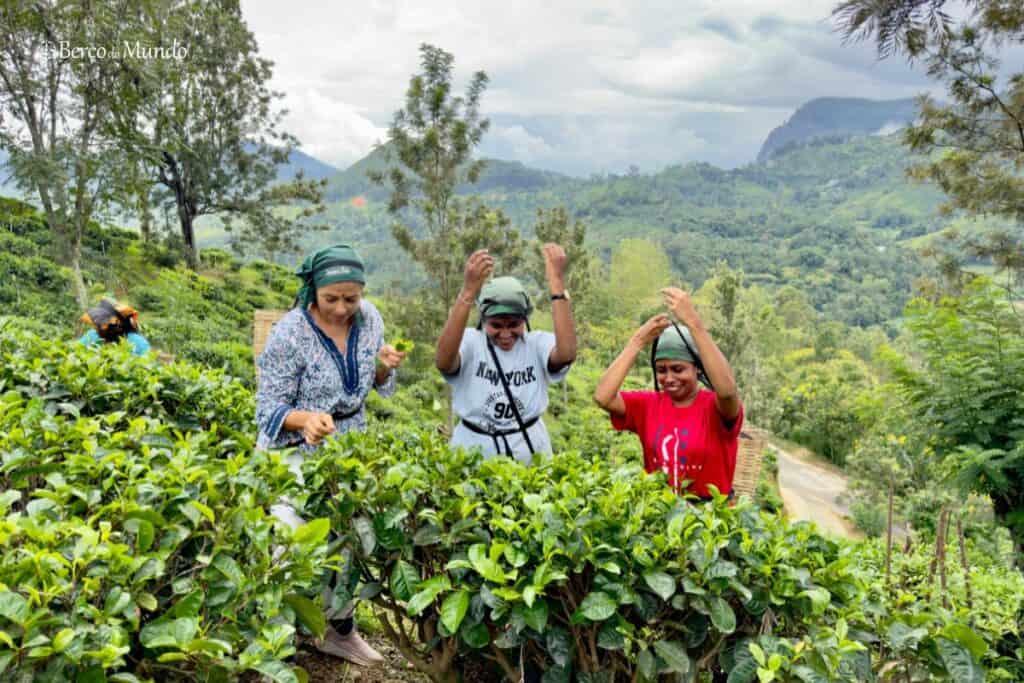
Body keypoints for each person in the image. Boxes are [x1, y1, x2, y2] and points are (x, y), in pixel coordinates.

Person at [255, 244, 407, 666]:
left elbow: (372, 383)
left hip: (349, 445)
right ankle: (279, 641)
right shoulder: (290, 333)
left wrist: (385, 366)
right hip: (293, 454)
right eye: (331, 299)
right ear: (313, 292)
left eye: (351, 298)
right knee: (291, 545)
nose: (342, 309)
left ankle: (338, 630)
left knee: (347, 543)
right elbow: (268, 408)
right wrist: (304, 420)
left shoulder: (371, 318)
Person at [593, 287, 743, 498]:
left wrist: (694, 323)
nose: (669, 378)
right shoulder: (648, 405)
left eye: (678, 369)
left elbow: (728, 391)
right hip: (660, 516)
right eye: (661, 370)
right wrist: (637, 341)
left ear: (697, 368)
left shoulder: (715, 407)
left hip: (710, 520)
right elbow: (603, 397)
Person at [435, 245, 577, 463]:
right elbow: (444, 361)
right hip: (474, 450)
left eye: (514, 324)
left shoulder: (536, 344)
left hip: (530, 450)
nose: (505, 333)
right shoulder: (471, 342)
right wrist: (468, 292)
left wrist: (557, 283)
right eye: (496, 325)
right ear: (483, 321)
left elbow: (566, 353)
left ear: (525, 320)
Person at [78, 298, 151, 356]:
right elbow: (76, 350)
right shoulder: (92, 336)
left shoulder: (138, 342)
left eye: (104, 324)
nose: (98, 328)